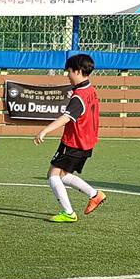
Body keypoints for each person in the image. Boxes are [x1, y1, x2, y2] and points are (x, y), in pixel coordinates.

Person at [34, 54, 106, 222]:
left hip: (74, 142)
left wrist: (44, 131)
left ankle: (68, 212)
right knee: (63, 175)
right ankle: (94, 194)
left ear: (78, 71)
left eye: (69, 72)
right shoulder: (91, 90)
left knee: (53, 175)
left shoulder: (79, 96)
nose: (67, 75)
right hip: (87, 142)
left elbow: (66, 117)